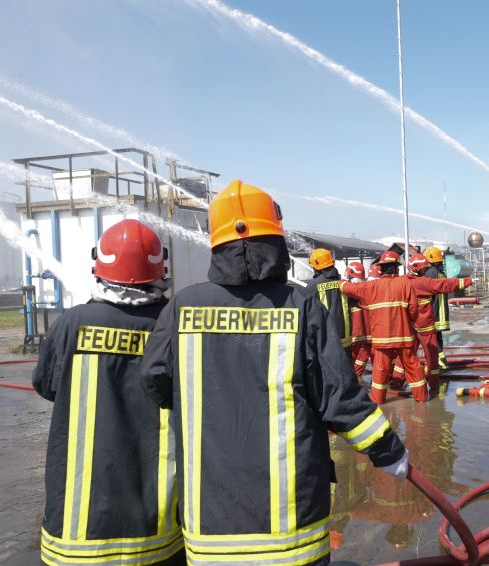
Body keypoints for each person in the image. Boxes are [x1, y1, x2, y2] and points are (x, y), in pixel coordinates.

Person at [141, 180, 407, 565]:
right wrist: (388, 451)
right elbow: (339, 397)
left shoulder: (183, 307)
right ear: (275, 241)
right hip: (292, 533)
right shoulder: (300, 305)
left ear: (216, 245)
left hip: (209, 529)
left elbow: (154, 380)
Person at [32, 219, 184, 565]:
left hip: (78, 519)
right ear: (160, 269)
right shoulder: (171, 325)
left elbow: (47, 386)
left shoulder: (71, 324)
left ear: (98, 266)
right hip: (155, 518)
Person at [340, 251, 427, 404]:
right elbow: (413, 310)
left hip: (382, 339)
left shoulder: (372, 286)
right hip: (404, 337)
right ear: (396, 268)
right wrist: (408, 321)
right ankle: (422, 400)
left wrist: (338, 282)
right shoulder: (405, 283)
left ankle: (378, 401)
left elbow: (350, 289)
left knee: (380, 372)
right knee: (414, 368)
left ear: (381, 269)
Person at [400, 253, 472, 394]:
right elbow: (443, 285)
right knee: (432, 355)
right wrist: (466, 282)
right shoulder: (424, 280)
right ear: (419, 268)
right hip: (425, 325)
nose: (426, 271)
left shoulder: (401, 282)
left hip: (408, 325)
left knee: (406, 354)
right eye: (424, 268)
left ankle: (397, 380)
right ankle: (432, 385)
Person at [310, 247, 352, 351]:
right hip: (346, 341)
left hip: (326, 342)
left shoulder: (313, 285)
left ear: (315, 267)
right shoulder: (343, 282)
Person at [422, 246, 452, 371]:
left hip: (433, 312)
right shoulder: (441, 273)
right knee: (438, 339)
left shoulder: (430, 273)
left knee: (432, 340)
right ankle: (441, 362)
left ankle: (440, 363)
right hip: (442, 312)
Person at [345, 261, 371, 380]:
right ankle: (356, 376)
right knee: (364, 355)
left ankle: (350, 378)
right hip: (369, 332)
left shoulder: (348, 288)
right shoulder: (369, 287)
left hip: (354, 332)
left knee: (351, 356)